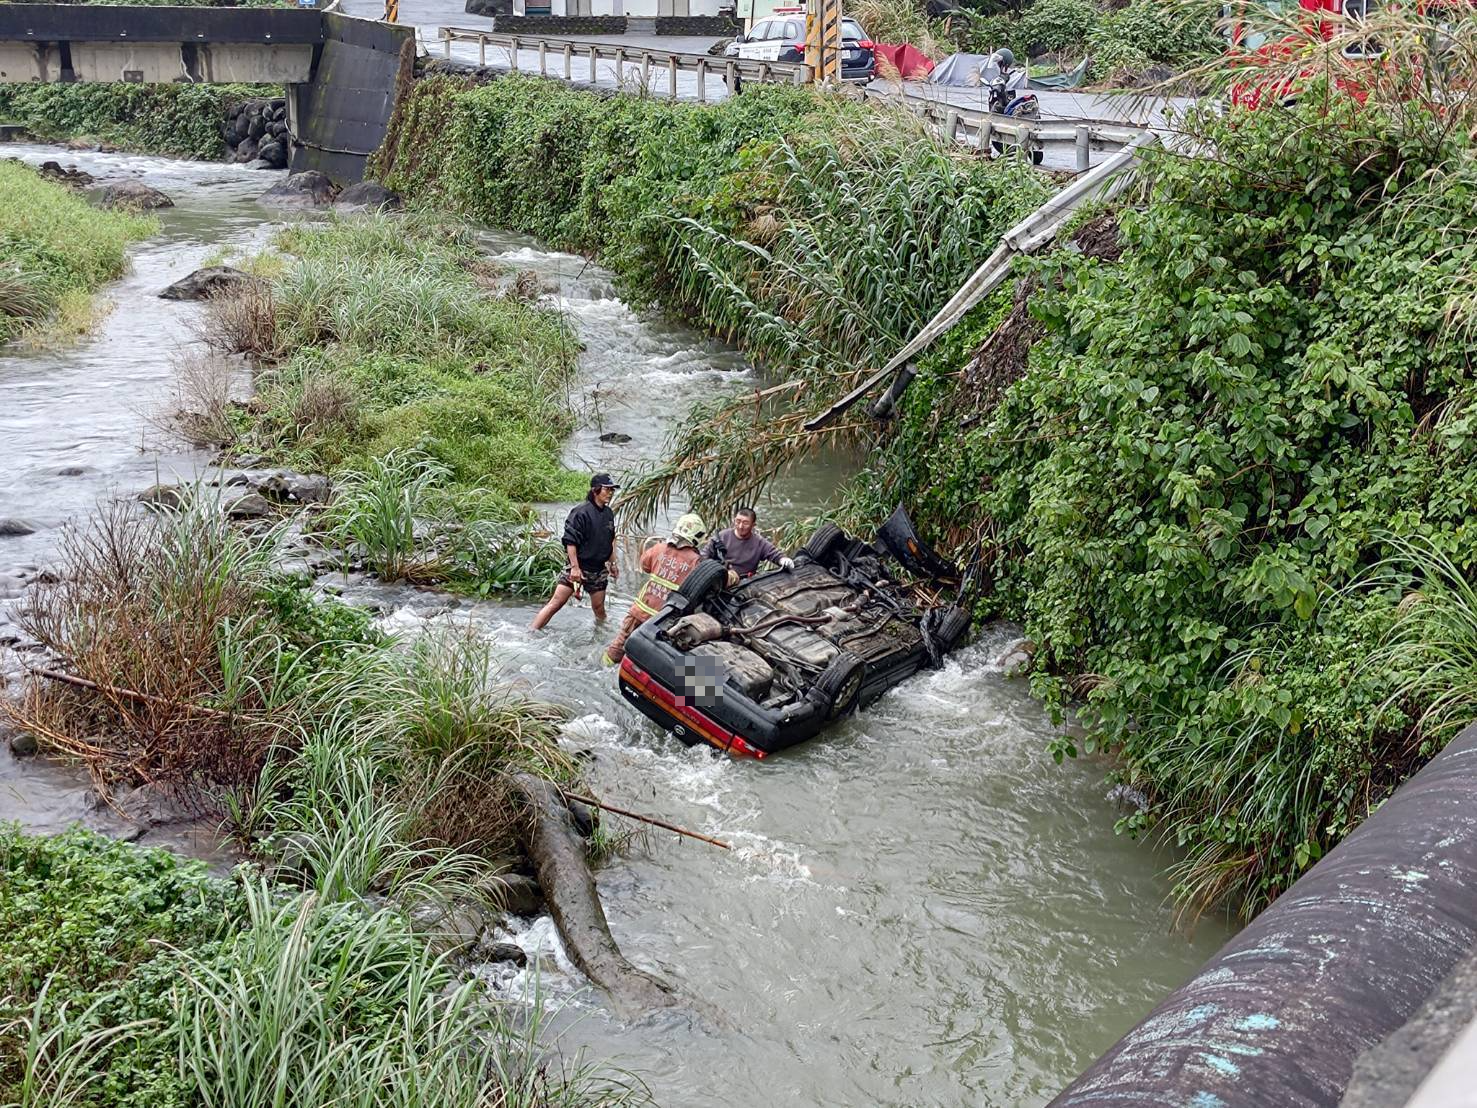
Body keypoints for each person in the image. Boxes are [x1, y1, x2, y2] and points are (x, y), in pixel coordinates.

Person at [602, 512, 708, 665]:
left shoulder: (659, 548)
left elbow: (645, 565)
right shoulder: (696, 562)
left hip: (639, 610)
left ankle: (602, 667)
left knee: (618, 646)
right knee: (650, 657)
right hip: (663, 619)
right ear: (698, 537)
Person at [531, 473, 620, 630]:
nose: (610, 494)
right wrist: (575, 568)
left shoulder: (608, 514)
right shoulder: (581, 512)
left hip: (598, 570)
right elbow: (570, 542)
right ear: (595, 490)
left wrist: (612, 563)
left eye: (612, 490)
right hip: (578, 567)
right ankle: (531, 632)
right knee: (555, 604)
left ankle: (603, 636)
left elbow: (610, 540)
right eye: (607, 490)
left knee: (599, 609)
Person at [704, 506, 794, 580]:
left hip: (745, 583)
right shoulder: (722, 536)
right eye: (738, 521)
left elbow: (774, 553)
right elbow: (704, 554)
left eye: (745, 523)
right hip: (720, 577)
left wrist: (784, 560)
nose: (740, 526)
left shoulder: (759, 542)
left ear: (753, 525)